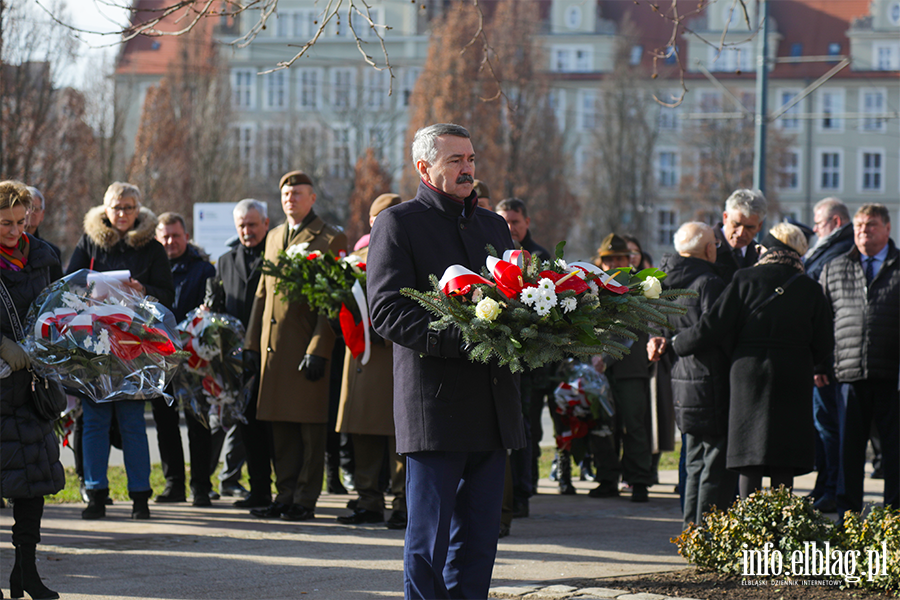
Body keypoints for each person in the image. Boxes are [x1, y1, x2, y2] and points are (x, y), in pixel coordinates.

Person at [367, 123, 525, 599]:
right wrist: (462, 338)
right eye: (455, 160)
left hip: (493, 405)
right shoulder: (398, 223)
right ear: (425, 168)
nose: (468, 169)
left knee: (480, 539)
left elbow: (515, 303)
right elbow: (386, 311)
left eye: (471, 158)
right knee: (428, 541)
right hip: (435, 408)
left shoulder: (493, 226)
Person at [673, 223, 834, 499]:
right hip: (794, 374)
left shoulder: (744, 279)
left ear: (768, 248)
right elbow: (824, 344)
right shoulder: (810, 289)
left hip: (748, 373)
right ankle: (780, 528)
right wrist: (802, 359)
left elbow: (714, 326)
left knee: (750, 454)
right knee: (786, 456)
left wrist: (679, 343)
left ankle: (749, 526)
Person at [67, 181, 175, 520]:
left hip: (133, 348)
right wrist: (90, 291)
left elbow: (167, 296)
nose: (123, 213)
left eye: (129, 207)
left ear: (139, 210)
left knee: (132, 424)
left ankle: (140, 496)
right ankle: (96, 493)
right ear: (105, 209)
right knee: (95, 422)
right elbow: (69, 285)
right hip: (96, 348)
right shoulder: (90, 241)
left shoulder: (153, 248)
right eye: (117, 207)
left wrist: (141, 289)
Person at [245, 170, 347, 521]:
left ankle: (305, 498)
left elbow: (334, 300)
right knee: (280, 427)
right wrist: (251, 345)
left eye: (298, 193)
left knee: (309, 430)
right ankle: (284, 494)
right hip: (274, 348)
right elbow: (262, 294)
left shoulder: (330, 238)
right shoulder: (273, 237)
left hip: (305, 347)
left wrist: (319, 348)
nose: (291, 198)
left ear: (312, 198)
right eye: (286, 193)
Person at [0, 181, 65, 600]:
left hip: (33, 387)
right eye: (5, 223)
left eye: (21, 222)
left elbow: (61, 308)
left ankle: (27, 571)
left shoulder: (44, 256)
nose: (13, 231)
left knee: (33, 483)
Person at [648, 222, 736, 529]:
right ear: (710, 249)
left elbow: (659, 330)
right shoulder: (709, 283)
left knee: (695, 461)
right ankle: (706, 534)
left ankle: (691, 530)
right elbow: (719, 330)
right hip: (710, 381)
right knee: (714, 463)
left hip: (682, 382)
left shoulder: (667, 282)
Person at [819, 204, 900, 516]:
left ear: (887, 228)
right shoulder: (836, 268)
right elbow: (822, 322)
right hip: (848, 374)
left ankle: (893, 517)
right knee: (848, 450)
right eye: (859, 226)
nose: (864, 231)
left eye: (871, 225)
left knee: (893, 450)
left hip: (891, 375)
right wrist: (818, 365)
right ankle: (847, 515)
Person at [335, 193, 407, 529]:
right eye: (379, 221)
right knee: (363, 432)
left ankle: (404, 502)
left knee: (401, 440)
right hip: (364, 356)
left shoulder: (411, 252)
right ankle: (368, 500)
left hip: (397, 355)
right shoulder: (355, 260)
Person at [205, 198, 271, 507]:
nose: (247, 231)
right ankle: (258, 490)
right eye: (242, 226)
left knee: (269, 427)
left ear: (266, 225)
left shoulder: (276, 258)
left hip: (269, 355)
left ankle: (276, 490)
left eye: (253, 225)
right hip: (235, 359)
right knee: (246, 428)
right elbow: (216, 305)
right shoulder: (225, 261)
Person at [152, 212, 217, 506]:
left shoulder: (204, 270)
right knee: (165, 423)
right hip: (158, 358)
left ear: (186, 237)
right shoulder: (150, 270)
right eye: (164, 236)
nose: (170, 241)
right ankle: (174, 484)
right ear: (156, 238)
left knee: (198, 422)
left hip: (195, 360)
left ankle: (201, 486)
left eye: (175, 235)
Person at [589, 233, 654, 503]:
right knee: (602, 425)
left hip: (629, 366)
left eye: (619, 258)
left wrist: (607, 358)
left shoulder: (638, 287)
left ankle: (638, 480)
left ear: (629, 260)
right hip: (598, 367)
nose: (614, 263)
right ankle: (607, 478)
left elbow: (631, 328)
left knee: (633, 425)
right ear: (601, 262)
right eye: (609, 259)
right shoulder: (591, 286)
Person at [804, 198, 853, 513]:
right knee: (824, 427)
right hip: (826, 356)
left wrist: (820, 360)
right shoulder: (830, 248)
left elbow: (826, 312)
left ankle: (832, 488)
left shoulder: (840, 250)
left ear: (835, 222)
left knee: (830, 427)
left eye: (818, 224)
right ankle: (825, 484)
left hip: (831, 358)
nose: (814, 230)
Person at [715, 189, 767, 283]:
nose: (741, 233)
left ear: (759, 226)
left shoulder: (761, 257)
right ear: (725, 218)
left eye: (749, 227)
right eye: (736, 224)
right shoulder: (702, 247)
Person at [23, 186, 62, 281]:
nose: (29, 212)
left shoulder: (51, 253)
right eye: (26, 207)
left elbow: (58, 291)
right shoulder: (7, 247)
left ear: (42, 214)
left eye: (34, 209)